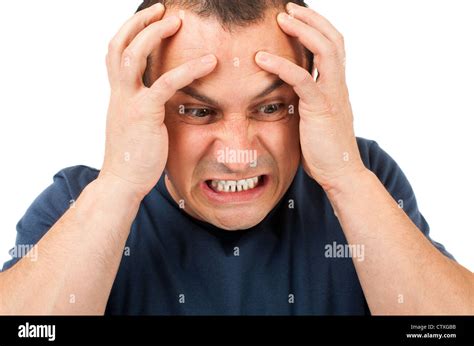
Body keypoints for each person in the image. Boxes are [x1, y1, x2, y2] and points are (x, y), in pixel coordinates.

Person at [0, 0, 472, 315]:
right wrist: (120, 182)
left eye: (270, 107)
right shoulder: (78, 201)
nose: (237, 153)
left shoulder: (362, 177)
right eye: (197, 111)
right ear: (143, 109)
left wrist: (346, 177)